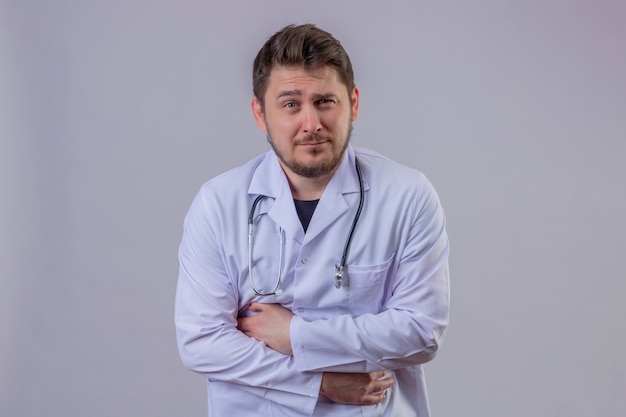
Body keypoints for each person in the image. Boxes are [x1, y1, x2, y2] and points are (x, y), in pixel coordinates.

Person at [175, 23, 450, 417]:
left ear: (353, 103)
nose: (311, 124)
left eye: (325, 101)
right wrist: (319, 383)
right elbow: (202, 343)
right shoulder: (218, 204)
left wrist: (294, 335)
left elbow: (421, 332)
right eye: (290, 104)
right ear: (260, 113)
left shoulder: (407, 195)